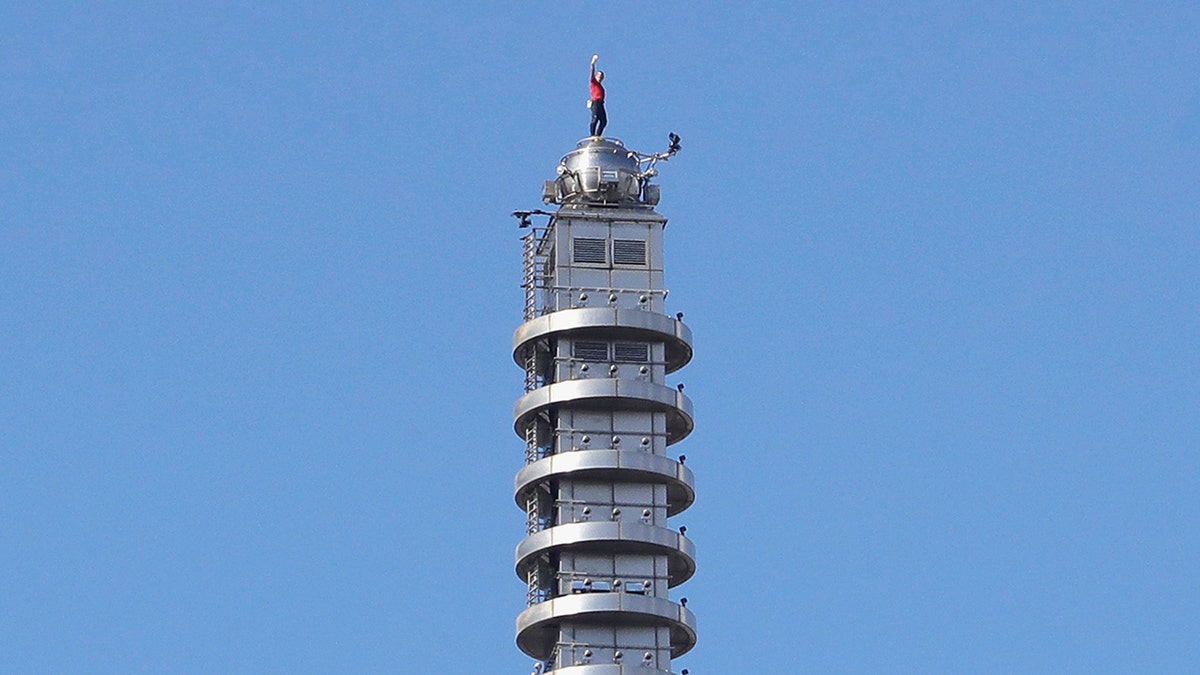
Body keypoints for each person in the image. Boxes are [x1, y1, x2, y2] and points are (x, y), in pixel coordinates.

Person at [588, 54, 607, 137]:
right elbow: (591, 73)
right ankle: (592, 135)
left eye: (601, 76)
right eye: (599, 75)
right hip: (595, 102)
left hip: (600, 103)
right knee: (595, 118)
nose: (600, 77)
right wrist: (593, 63)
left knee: (604, 121)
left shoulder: (601, 87)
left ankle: (597, 136)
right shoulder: (593, 83)